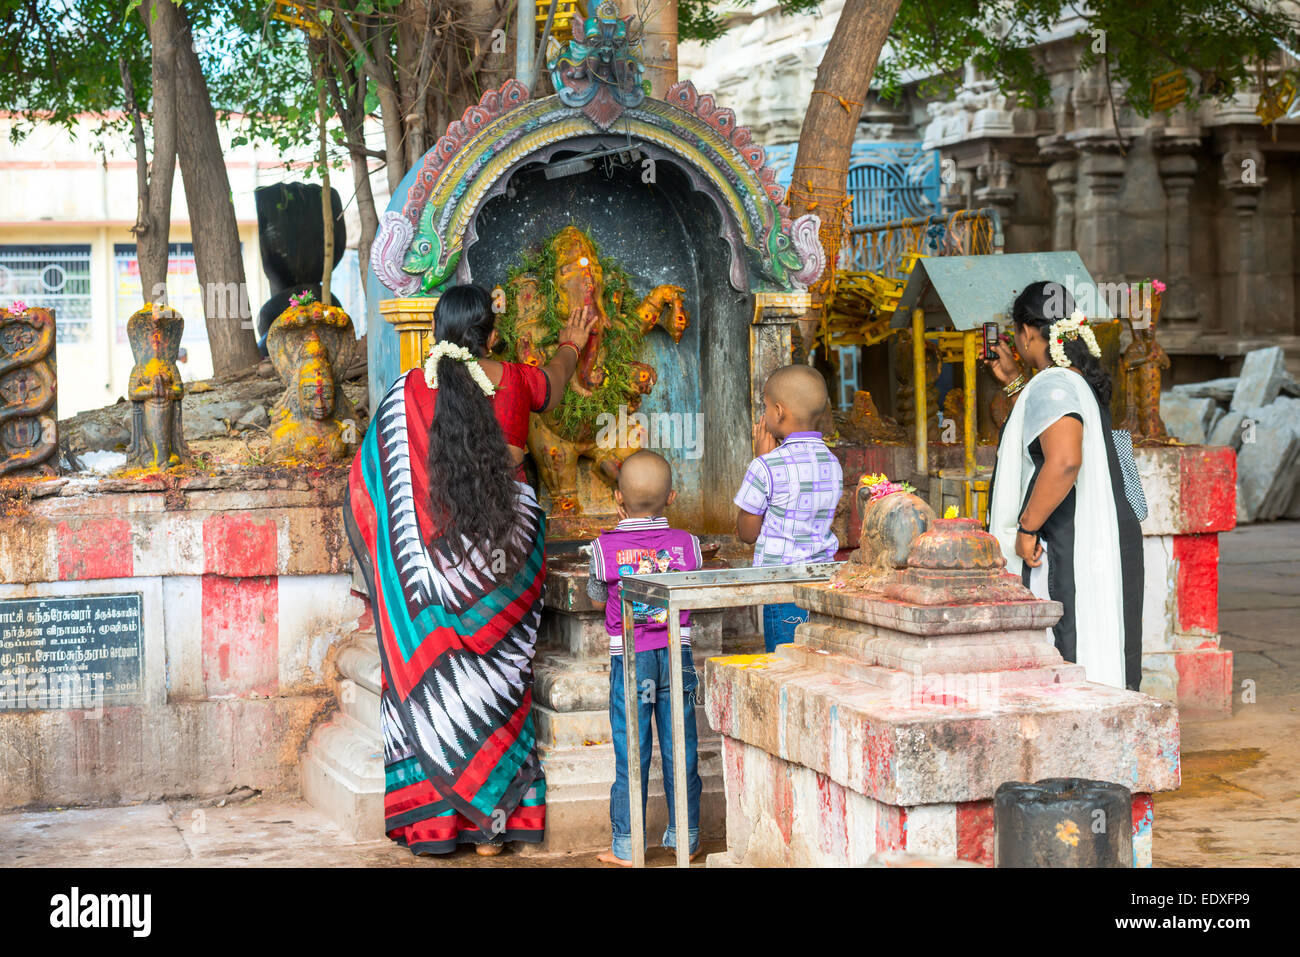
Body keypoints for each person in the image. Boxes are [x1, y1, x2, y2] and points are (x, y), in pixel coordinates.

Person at [344, 283, 598, 856]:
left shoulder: (408, 389)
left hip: (431, 569)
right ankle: (492, 830)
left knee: (437, 679)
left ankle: (434, 827)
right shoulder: (511, 378)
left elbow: (372, 483)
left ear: (436, 330)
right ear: (492, 332)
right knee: (499, 684)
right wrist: (570, 343)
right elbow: (554, 385)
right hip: (506, 562)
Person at [985, 281, 1143, 690]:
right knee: (1104, 639)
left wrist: (1026, 528)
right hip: (1105, 539)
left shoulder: (1053, 385)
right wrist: (1016, 383)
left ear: (1026, 332)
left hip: (1066, 543)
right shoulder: (1079, 380)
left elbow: (1065, 460)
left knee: (1067, 644)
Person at [585, 450, 704, 866]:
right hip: (677, 654)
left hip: (631, 660)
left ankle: (626, 845)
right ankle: (686, 839)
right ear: (671, 497)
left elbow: (597, 593)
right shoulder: (688, 545)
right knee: (681, 746)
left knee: (630, 749)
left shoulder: (604, 548)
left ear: (618, 498)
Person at [733, 364, 843, 652]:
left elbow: (747, 532)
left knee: (785, 659)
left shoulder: (765, 466)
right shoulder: (832, 462)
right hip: (824, 580)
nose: (765, 415)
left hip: (782, 585)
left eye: (766, 407)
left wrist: (760, 459)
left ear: (779, 412)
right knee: (817, 658)